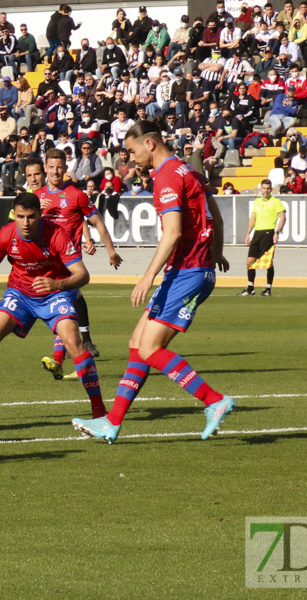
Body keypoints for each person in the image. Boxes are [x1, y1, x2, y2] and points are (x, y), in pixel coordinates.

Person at [72, 120, 236, 444]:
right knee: (137, 344)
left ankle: (213, 400)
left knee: (150, 348)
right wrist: (215, 254)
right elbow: (214, 217)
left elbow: (173, 231)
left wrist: (148, 276)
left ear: (149, 144)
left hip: (187, 272)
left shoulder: (165, 177)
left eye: (132, 152)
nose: (131, 160)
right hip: (190, 269)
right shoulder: (188, 170)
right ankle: (113, 423)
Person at [0, 190, 103, 420]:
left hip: (55, 294)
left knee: (73, 341)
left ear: (40, 215)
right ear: (14, 214)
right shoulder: (6, 234)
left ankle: (99, 408)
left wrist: (57, 284)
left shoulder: (57, 235)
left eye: (31, 216)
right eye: (20, 216)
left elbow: (83, 275)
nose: (26, 222)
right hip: (20, 293)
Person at [29, 153, 123, 380]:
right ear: (46, 168)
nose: (55, 172)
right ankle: (81, 357)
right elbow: (21, 224)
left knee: (64, 310)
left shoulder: (76, 195)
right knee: (64, 311)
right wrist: (36, 212)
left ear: (65, 168)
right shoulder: (36, 196)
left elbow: (97, 221)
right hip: (45, 265)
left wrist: (111, 251)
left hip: (69, 266)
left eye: (59, 167)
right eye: (51, 167)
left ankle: (59, 360)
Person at [238, 179, 286, 296]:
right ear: (261, 189)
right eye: (264, 188)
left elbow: (283, 217)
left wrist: (277, 232)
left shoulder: (275, 202)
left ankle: (268, 289)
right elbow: (253, 218)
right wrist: (248, 233)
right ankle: (250, 288)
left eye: (268, 188)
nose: (266, 191)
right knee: (249, 261)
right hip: (257, 234)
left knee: (268, 262)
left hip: (268, 233)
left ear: (271, 189)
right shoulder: (257, 202)